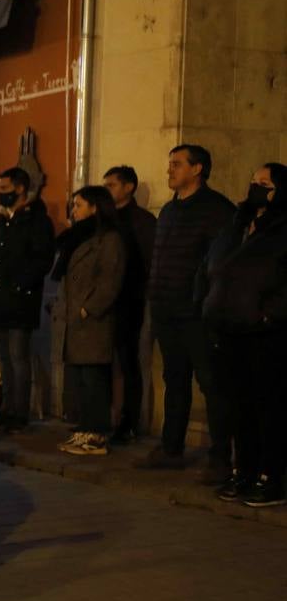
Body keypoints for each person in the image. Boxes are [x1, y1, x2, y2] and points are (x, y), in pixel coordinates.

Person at [138, 145, 236, 482]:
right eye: (169, 164)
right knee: (173, 380)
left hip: (197, 313)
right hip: (166, 309)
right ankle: (171, 448)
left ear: (197, 169)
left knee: (211, 383)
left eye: (177, 165)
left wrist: (205, 302)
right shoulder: (168, 211)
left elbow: (222, 262)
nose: (169, 171)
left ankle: (221, 457)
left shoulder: (217, 210)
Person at [202, 163, 287, 506]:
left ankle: (271, 476)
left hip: (266, 333)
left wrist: (269, 315)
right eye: (253, 181)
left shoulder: (282, 229)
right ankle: (245, 470)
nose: (256, 188)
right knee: (239, 407)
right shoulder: (237, 224)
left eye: (264, 184)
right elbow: (213, 266)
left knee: (269, 408)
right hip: (230, 327)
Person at [52, 187, 127, 455]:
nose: (74, 210)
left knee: (94, 379)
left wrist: (88, 309)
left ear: (95, 207)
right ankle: (83, 429)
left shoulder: (109, 239)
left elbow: (110, 279)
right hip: (72, 319)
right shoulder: (76, 238)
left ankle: (95, 435)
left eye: (79, 205)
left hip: (92, 322)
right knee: (80, 380)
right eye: (73, 205)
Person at [0, 168, 55, 432]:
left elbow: (41, 259)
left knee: (18, 356)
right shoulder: (3, 219)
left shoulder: (37, 221)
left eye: (4, 189)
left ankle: (19, 412)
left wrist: (20, 285)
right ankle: (6, 407)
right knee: (3, 357)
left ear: (20, 189)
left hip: (20, 300)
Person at [102, 165, 157, 444]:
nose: (107, 190)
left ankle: (129, 420)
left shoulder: (142, 221)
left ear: (129, 187)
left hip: (131, 301)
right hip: (106, 301)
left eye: (112, 185)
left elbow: (148, 262)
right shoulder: (105, 219)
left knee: (128, 362)